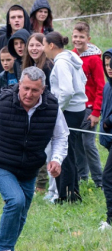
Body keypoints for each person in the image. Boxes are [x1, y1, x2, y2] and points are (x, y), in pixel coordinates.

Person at [0, 67, 68, 251]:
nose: (28, 94)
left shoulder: (51, 108)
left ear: (43, 89)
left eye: (34, 90)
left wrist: (57, 159)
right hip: (0, 163)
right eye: (26, 88)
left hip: (29, 167)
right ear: (19, 85)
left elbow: (61, 136)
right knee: (16, 200)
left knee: (21, 212)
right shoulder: (0, 103)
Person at [44, 31, 87, 203]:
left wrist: (57, 109)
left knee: (63, 153)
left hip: (69, 111)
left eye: (44, 45)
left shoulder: (61, 63)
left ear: (51, 45)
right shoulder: (70, 57)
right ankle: (72, 192)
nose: (43, 49)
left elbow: (67, 90)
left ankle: (66, 196)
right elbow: (82, 81)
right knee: (69, 153)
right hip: (78, 109)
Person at [72, 21, 104, 188]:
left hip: (90, 108)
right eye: (75, 36)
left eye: (81, 37)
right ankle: (82, 177)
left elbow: (101, 86)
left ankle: (99, 180)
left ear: (88, 38)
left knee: (88, 143)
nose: (78, 40)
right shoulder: (71, 55)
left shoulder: (94, 60)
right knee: (76, 142)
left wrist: (96, 111)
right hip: (75, 107)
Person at [23, 33, 55, 196]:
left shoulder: (48, 66)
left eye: (38, 45)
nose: (34, 49)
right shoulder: (30, 66)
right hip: (33, 111)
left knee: (45, 148)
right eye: (31, 45)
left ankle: (44, 185)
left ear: (45, 47)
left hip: (44, 112)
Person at [0, 5, 32, 99]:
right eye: (13, 17)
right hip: (3, 93)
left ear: (25, 19)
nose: (16, 20)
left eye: (20, 17)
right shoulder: (0, 41)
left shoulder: (32, 40)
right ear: (8, 20)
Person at [98, 50, 112, 230]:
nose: (109, 68)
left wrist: (109, 121)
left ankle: (110, 219)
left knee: (108, 178)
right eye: (107, 65)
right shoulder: (108, 86)